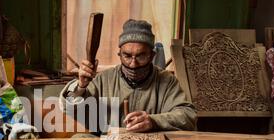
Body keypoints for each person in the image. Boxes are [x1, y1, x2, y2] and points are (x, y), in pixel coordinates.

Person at [60, 19, 197, 134]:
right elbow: (70, 108)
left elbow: (188, 116)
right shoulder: (104, 79)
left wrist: (154, 121)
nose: (133, 64)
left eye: (141, 56)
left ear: (152, 56)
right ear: (119, 55)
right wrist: (81, 86)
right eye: (127, 56)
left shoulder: (167, 81)